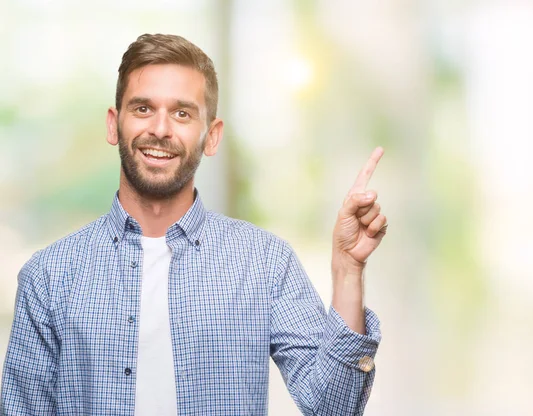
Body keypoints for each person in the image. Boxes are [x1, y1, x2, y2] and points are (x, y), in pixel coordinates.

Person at [0, 34, 387, 415]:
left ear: (211, 136)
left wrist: (348, 270)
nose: (161, 130)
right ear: (114, 124)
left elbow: (332, 409)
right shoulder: (49, 275)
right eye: (143, 109)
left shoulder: (266, 262)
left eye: (182, 113)